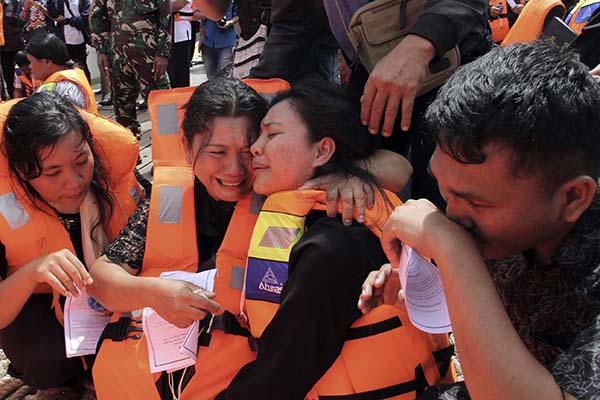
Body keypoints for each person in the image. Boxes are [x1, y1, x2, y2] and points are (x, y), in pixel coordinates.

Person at [87, 77, 413, 400]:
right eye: (217, 152)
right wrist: (153, 293)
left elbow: (397, 168)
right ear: (188, 149)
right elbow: (102, 278)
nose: (235, 169)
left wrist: (347, 173)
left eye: (247, 149)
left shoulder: (285, 187)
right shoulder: (171, 199)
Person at [359, 41, 600, 399]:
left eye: (474, 202)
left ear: (572, 198)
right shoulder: (505, 218)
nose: (452, 215)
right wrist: (426, 290)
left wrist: (455, 252)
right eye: (445, 190)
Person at [0, 92, 142, 399]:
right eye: (53, 173)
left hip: (113, 298)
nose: (75, 181)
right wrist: (33, 271)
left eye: (82, 160)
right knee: (45, 358)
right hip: (38, 305)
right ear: (23, 172)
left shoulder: (115, 174)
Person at [90, 0, 170, 139]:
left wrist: (163, 53)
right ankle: (130, 152)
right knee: (122, 105)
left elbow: (166, 19)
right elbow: (97, 16)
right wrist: (101, 50)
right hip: (117, 58)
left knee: (163, 105)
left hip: (149, 58)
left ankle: (169, 150)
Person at [24, 32, 97, 112]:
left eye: (31, 62)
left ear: (47, 62)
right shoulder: (57, 83)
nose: (30, 67)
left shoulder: (68, 90)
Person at [47, 0, 91, 83]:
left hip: (79, 40)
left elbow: (84, 20)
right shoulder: (59, 2)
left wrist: (66, 20)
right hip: (63, 41)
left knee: (81, 68)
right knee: (66, 69)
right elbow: (54, 15)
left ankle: (86, 90)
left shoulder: (83, 1)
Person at [201, 0, 237, 79]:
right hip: (208, 41)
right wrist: (211, 13)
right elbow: (197, 15)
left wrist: (230, 22)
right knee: (210, 76)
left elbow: (238, 14)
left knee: (225, 75)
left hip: (227, 41)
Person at [1, 0, 24, 99]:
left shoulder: (15, 3)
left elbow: (21, 21)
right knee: (7, 77)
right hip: (2, 48)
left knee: (21, 74)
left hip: (16, 46)